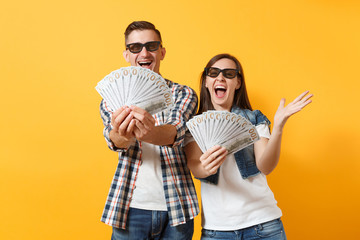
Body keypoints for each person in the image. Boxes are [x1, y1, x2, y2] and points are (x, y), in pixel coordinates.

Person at [184, 53, 313, 240]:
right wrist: (206, 167)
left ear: (237, 83)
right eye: (214, 73)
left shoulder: (254, 119)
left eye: (228, 74)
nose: (220, 77)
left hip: (264, 225)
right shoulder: (194, 125)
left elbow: (265, 166)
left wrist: (277, 128)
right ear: (205, 81)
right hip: (217, 230)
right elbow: (195, 167)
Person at [99, 21, 199, 240]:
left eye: (151, 46)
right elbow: (114, 139)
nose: (144, 52)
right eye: (135, 47)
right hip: (130, 206)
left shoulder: (184, 93)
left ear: (161, 52)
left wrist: (147, 131)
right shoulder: (112, 97)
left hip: (178, 207)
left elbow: (175, 132)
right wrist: (122, 135)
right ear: (127, 55)